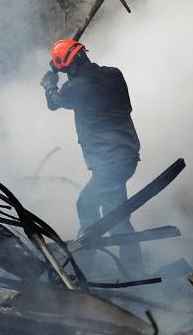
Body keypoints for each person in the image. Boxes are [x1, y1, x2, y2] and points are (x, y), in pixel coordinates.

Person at [41, 39, 143, 267]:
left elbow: (53, 103)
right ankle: (129, 266)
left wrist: (50, 82)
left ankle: (89, 263)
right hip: (126, 155)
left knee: (90, 206)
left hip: (110, 161)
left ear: (73, 66)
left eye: (67, 70)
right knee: (115, 213)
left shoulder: (76, 88)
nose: (67, 74)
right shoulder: (114, 75)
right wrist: (61, 68)